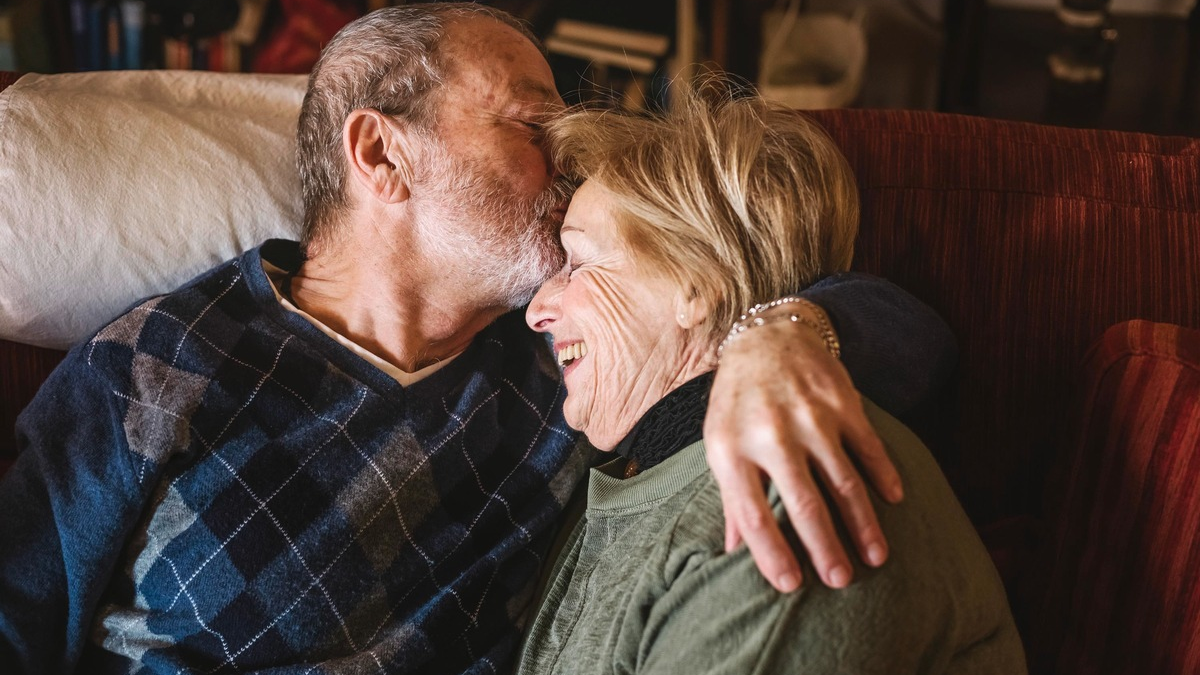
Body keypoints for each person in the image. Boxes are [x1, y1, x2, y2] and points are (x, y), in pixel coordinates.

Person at [0, 5, 954, 674]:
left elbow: (911, 332)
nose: (567, 153)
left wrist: (784, 336)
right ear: (381, 152)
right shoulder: (155, 368)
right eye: (530, 123)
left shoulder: (567, 354)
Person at [516, 87, 1025, 673]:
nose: (537, 311)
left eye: (578, 263)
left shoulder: (783, 491)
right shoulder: (633, 468)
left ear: (697, 283)